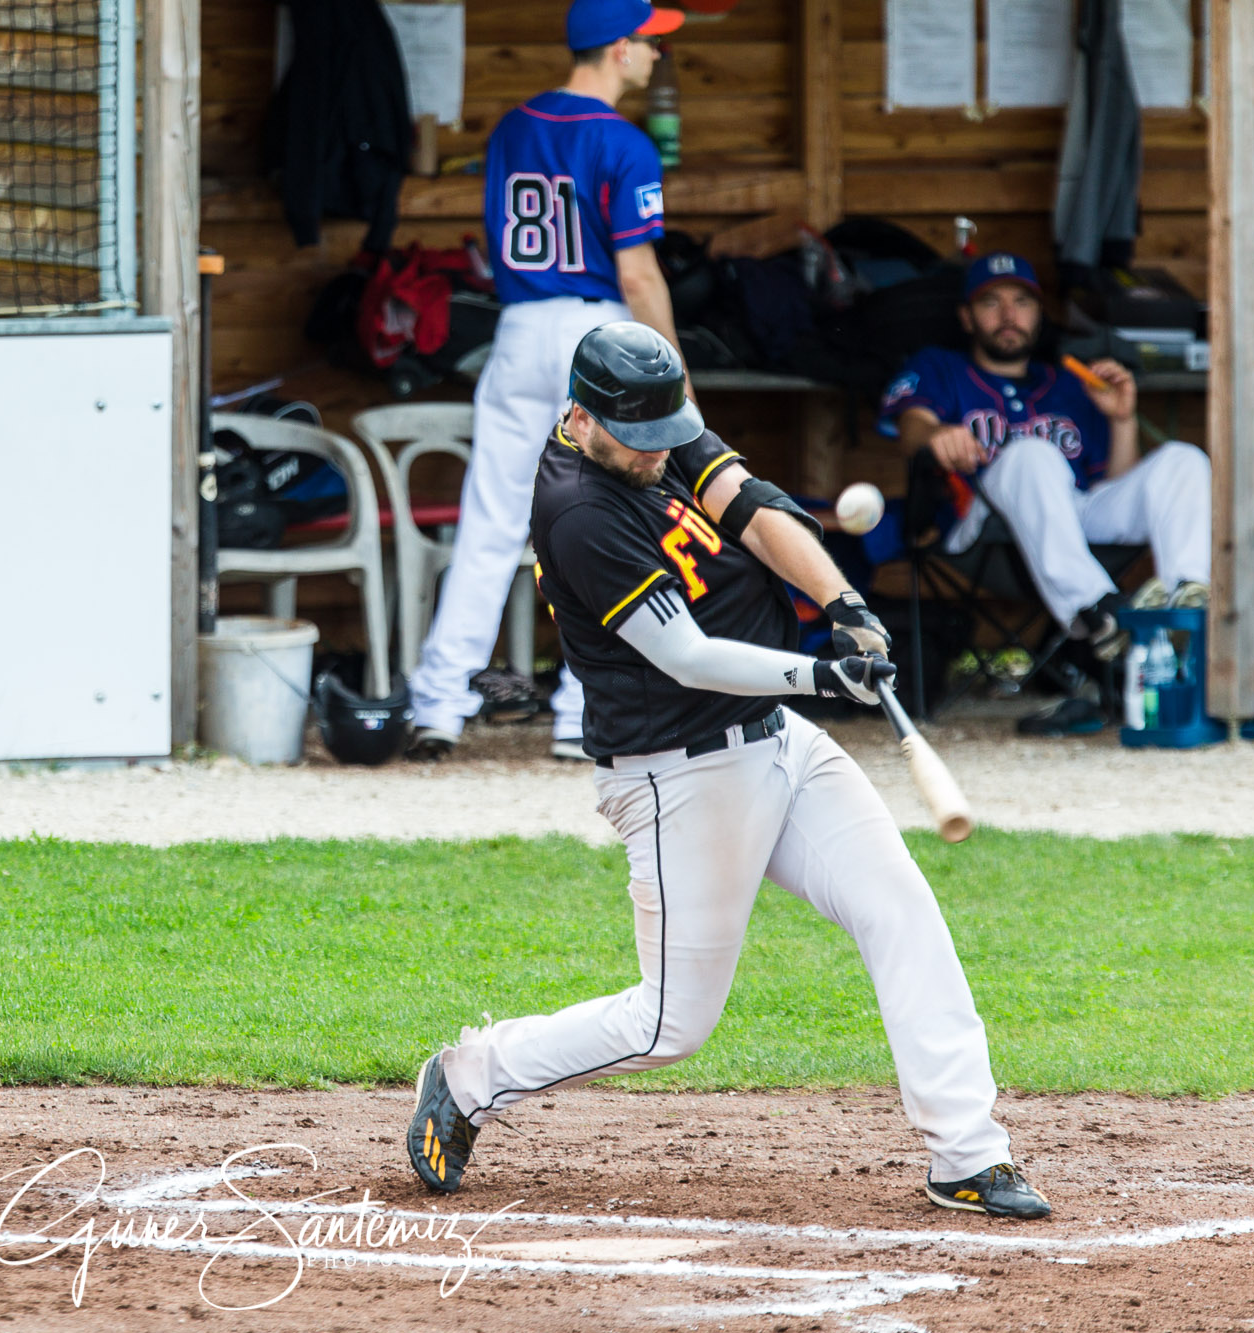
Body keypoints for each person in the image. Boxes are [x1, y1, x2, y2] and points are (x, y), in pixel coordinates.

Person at [406, 322, 1049, 1221]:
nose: (657, 454)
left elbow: (749, 505)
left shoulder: (652, 419)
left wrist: (844, 601)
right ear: (583, 419)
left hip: (774, 737)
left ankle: (968, 1153)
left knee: (898, 906)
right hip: (679, 775)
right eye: (639, 441)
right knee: (671, 1023)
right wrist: (828, 675)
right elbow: (688, 656)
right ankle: (473, 1072)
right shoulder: (579, 510)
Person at [406, 0, 687, 765]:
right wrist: (674, 371)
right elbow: (637, 270)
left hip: (522, 323)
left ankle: (438, 701)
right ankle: (579, 713)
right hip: (595, 331)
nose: (656, 55)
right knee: (605, 520)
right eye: (648, 42)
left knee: (492, 519)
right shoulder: (624, 142)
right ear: (616, 50)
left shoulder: (512, 128)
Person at [879, 252, 1210, 730]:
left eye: (1022, 302)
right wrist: (935, 436)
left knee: (1184, 460)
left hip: (1069, 519)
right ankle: (1097, 613)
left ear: (1039, 314)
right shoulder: (941, 367)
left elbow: (1116, 488)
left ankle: (1185, 610)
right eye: (991, 302)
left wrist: (1120, 420)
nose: (1009, 314)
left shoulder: (1069, 384)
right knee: (1033, 454)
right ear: (966, 317)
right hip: (980, 526)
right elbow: (911, 429)